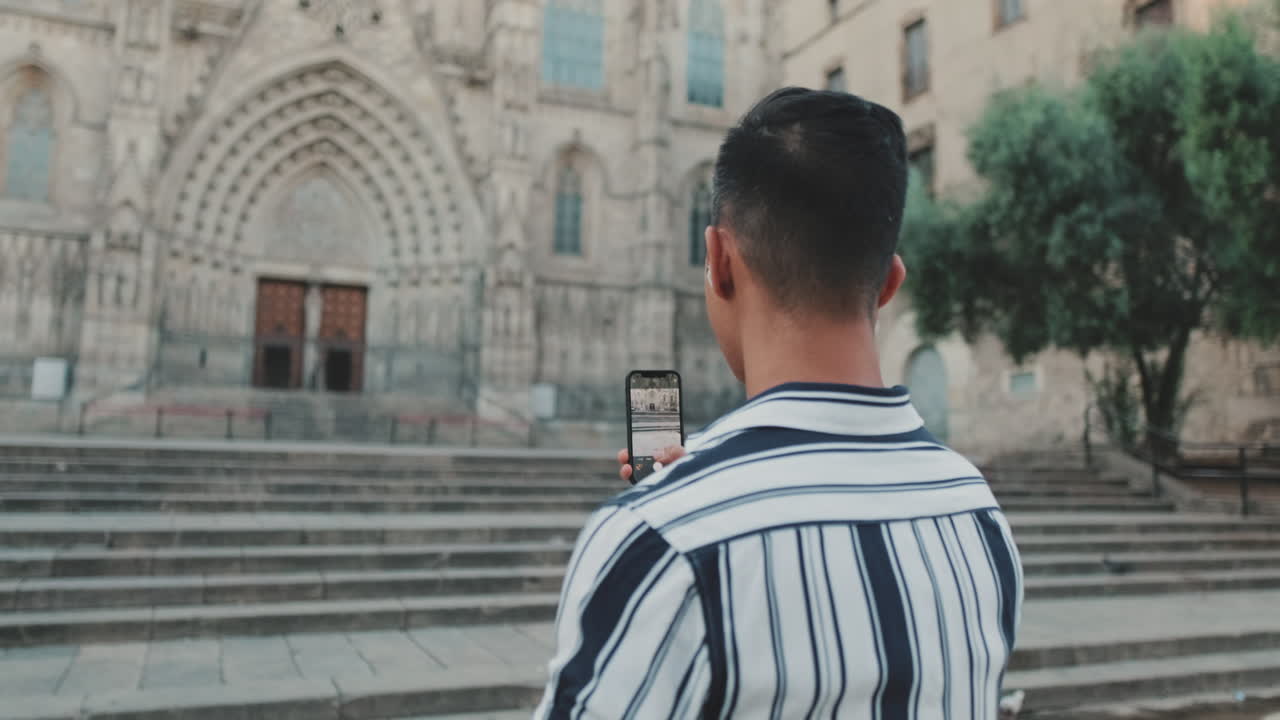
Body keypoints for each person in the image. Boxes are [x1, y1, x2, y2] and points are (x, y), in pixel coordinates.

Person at [533, 87, 1023, 719]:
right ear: (889, 285)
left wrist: (664, 512)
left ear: (718, 260)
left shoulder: (659, 543)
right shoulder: (979, 515)